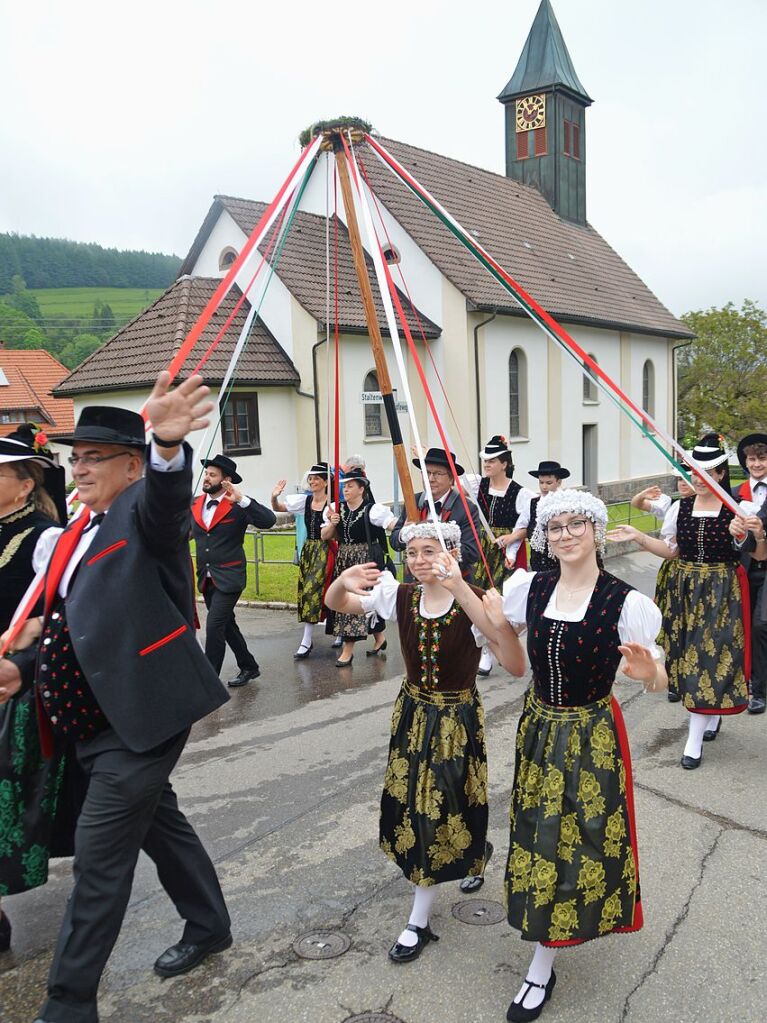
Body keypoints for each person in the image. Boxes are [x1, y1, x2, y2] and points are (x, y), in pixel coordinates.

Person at [0, 375, 233, 1023]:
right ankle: (209, 922)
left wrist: (166, 444)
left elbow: (165, 502)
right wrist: (22, 667)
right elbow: (73, 620)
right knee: (162, 822)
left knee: (99, 864)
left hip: (142, 717)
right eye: (75, 457)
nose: (78, 467)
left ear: (130, 465)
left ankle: (68, 1002)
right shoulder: (79, 528)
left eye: (93, 456)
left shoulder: (141, 509)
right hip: (89, 717)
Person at [475, 489, 666, 1022]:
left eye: (575, 524)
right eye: (554, 527)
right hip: (538, 728)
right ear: (544, 537)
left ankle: (542, 961)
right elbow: (503, 644)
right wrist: (457, 589)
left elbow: (659, 677)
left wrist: (650, 675)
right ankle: (544, 938)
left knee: (576, 839)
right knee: (537, 832)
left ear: (596, 530)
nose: (564, 534)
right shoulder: (530, 588)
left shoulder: (628, 603)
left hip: (590, 734)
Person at [324, 520, 493, 963]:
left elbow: (507, 650)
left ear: (451, 552)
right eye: (412, 552)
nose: (418, 561)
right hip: (414, 714)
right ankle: (432, 899)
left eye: (429, 551)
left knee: (445, 803)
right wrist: (342, 580)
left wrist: (467, 595)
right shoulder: (401, 595)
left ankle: (418, 919)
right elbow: (337, 603)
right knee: (419, 806)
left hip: (456, 719)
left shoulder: (472, 601)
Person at [610, 434, 749, 767]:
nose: (698, 479)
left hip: (719, 589)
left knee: (708, 656)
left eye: (706, 473)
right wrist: (639, 536)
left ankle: (694, 738)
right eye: (693, 472)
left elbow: (753, 551)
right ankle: (709, 715)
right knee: (683, 654)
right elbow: (671, 551)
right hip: (683, 587)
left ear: (719, 474)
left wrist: (742, 535)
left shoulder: (736, 509)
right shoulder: (680, 507)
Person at [0, 425, 65, 953]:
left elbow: (56, 613)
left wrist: (25, 652)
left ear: (24, 485)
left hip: (15, 685)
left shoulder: (43, 536)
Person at [192, 454, 276, 686]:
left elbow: (269, 521)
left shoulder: (237, 505)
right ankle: (249, 666)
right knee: (227, 625)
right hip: (206, 578)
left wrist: (242, 499)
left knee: (215, 624)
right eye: (206, 473)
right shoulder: (196, 503)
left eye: (212, 475)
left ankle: (208, 683)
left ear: (226, 480)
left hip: (230, 577)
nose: (206, 478)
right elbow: (184, 532)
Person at [630, 470, 694, 703]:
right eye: (680, 479)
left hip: (695, 571)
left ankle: (690, 676)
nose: (683, 483)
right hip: (672, 569)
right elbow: (637, 504)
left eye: (687, 479)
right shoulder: (673, 505)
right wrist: (643, 493)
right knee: (670, 622)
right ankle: (673, 678)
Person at [322, 470, 393, 666]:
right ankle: (380, 638)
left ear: (361, 489)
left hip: (365, 560)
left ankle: (348, 650)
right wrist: (332, 523)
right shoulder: (336, 509)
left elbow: (390, 524)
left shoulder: (373, 510)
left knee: (361, 602)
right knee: (355, 602)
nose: (345, 490)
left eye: (350, 486)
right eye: (344, 486)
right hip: (345, 559)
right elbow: (325, 536)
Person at [271, 463, 335, 659]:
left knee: (319, 590)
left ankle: (314, 638)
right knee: (307, 592)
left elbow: (333, 534)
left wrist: (333, 521)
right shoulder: (304, 502)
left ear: (325, 482)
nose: (313, 481)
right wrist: (274, 496)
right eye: (311, 478)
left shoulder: (332, 506)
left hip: (326, 550)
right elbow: (279, 508)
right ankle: (312, 637)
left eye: (317, 478)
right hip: (309, 549)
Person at [390, 447, 482, 580]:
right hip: (415, 582)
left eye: (438, 474)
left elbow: (472, 552)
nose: (431, 479)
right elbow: (394, 541)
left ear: (451, 479)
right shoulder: (413, 501)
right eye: (426, 473)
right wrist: (403, 533)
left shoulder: (467, 508)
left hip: (451, 583)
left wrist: (436, 553)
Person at [732, 433, 767, 713]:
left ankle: (759, 690)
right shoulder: (734, 493)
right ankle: (747, 682)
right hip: (744, 569)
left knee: (760, 626)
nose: (756, 464)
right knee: (745, 627)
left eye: (762, 458)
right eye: (752, 459)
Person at [523, 461, 571, 573]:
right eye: (541, 482)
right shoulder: (533, 504)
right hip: (537, 564)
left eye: (549, 483)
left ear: (558, 482)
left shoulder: (567, 504)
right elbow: (522, 527)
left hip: (560, 563)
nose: (544, 487)